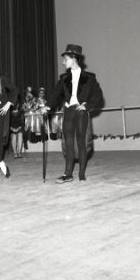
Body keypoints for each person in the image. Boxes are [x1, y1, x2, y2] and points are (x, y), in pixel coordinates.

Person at [45, 44, 103, 183]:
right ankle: (68, 174)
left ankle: (81, 174)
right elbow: (55, 94)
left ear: (73, 59)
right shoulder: (64, 77)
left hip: (80, 111)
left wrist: (87, 106)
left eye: (65, 59)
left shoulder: (89, 77)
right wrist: (47, 106)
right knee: (68, 143)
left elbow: (98, 95)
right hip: (68, 111)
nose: (63, 62)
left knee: (82, 142)